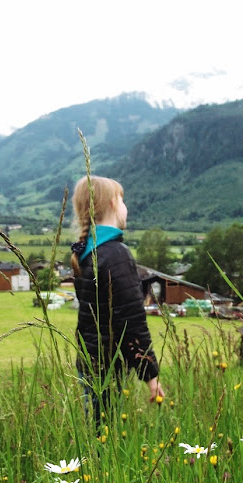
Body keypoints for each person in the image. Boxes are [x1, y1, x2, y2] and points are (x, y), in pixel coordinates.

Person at [71, 175, 165, 424]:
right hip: (108, 365)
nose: (126, 207)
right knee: (105, 434)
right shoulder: (116, 255)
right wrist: (151, 375)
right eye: (123, 200)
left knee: (97, 427)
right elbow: (132, 322)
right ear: (113, 202)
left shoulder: (86, 252)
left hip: (90, 361)